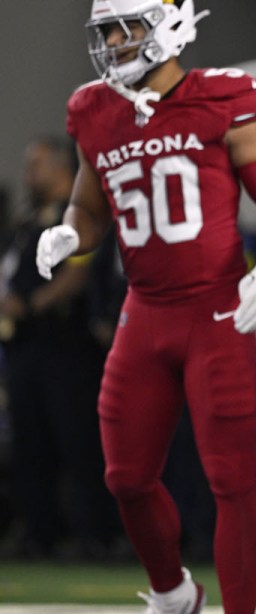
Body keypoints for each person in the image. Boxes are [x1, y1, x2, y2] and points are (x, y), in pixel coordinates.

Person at [35, 0, 256, 614]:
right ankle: (172, 591)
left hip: (216, 311)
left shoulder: (222, 97)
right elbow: (91, 207)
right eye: (106, 32)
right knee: (125, 475)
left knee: (230, 480)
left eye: (128, 27)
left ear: (170, 26)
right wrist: (71, 235)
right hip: (144, 310)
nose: (116, 43)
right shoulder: (94, 109)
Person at [1, 136, 114, 560]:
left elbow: (78, 274)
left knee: (78, 441)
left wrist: (31, 304)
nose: (29, 174)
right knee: (31, 444)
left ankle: (94, 535)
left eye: (37, 165)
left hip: (65, 345)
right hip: (27, 346)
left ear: (62, 168)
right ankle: (39, 532)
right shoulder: (29, 221)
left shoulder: (78, 214)